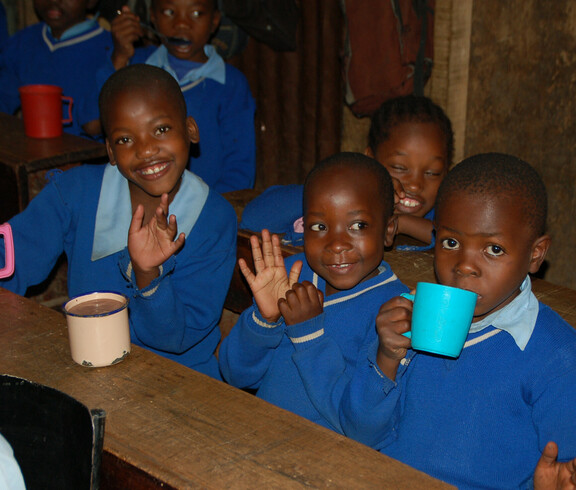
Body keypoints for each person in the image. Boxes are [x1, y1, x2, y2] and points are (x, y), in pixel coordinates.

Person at [338, 153, 576, 489]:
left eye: (493, 249)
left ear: (535, 254)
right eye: (451, 242)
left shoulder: (558, 356)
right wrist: (386, 358)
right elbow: (357, 431)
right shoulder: (405, 319)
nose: (465, 265)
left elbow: (562, 468)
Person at [0, 64, 237, 379]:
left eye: (161, 129)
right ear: (110, 150)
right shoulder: (75, 192)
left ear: (190, 129)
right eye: (126, 139)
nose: (147, 149)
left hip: (178, 383)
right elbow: (13, 259)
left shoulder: (213, 218)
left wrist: (148, 276)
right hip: (88, 366)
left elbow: (175, 340)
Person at [218, 152, 409, 432]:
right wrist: (264, 320)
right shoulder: (291, 276)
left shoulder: (393, 314)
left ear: (388, 230)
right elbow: (235, 374)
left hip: (326, 462)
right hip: (258, 437)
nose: (337, 244)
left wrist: (309, 336)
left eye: (358, 226)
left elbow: (363, 430)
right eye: (319, 227)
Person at [240, 94, 453, 247]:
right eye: (399, 168)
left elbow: (453, 239)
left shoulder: (442, 217)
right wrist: (358, 190)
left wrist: (401, 222)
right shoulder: (341, 203)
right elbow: (254, 217)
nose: (415, 184)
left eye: (432, 172)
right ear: (370, 160)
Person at [101, 0, 256, 193]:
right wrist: (120, 56)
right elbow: (91, 123)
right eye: (169, 12)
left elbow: (239, 169)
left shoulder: (231, 84)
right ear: (153, 17)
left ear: (215, 21)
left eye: (197, 13)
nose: (182, 24)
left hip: (208, 206)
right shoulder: (133, 65)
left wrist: (209, 210)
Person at [0, 0, 113, 138]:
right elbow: (4, 99)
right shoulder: (21, 44)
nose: (53, 1)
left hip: (91, 157)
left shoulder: (111, 50)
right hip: (32, 153)